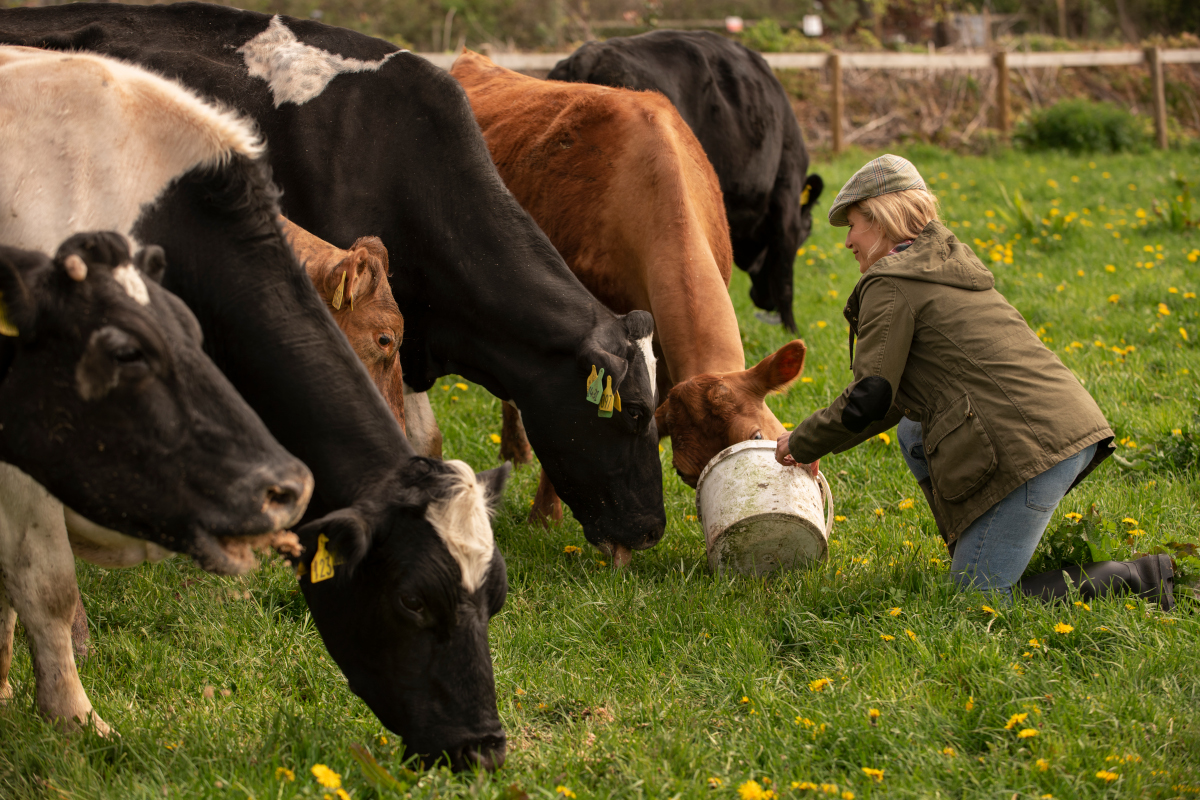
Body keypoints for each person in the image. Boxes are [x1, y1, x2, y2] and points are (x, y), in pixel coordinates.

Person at [775, 154, 1174, 608]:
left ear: (881, 218)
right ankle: (978, 545)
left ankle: (1140, 577)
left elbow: (869, 395)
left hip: (1031, 447)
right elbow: (890, 402)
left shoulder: (892, 281)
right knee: (913, 430)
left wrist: (800, 441)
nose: (847, 240)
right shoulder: (937, 262)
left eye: (852, 224)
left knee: (977, 601)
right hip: (1059, 427)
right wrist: (814, 443)